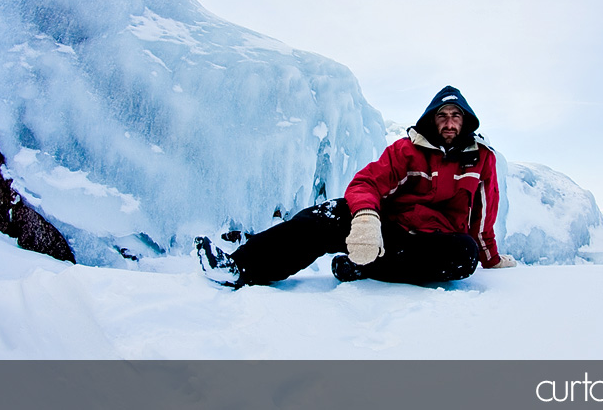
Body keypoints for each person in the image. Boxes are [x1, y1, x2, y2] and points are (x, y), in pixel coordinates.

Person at [196, 85, 516, 288]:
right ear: (432, 120)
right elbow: (367, 182)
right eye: (442, 115)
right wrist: (365, 218)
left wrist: (490, 258)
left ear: (466, 120)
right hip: (389, 229)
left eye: (456, 116)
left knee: (464, 255)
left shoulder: (480, 159)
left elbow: (483, 216)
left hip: (434, 243)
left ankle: (363, 267)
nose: (449, 122)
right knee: (330, 214)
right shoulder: (406, 151)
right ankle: (240, 267)